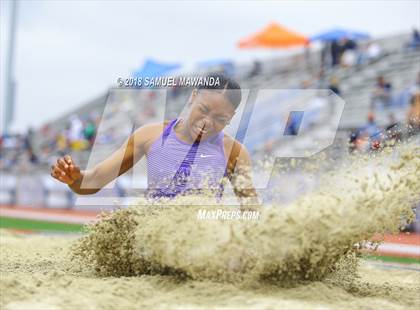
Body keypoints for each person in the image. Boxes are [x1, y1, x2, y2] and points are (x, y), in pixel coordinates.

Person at [51, 73, 259, 209]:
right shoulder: (150, 135)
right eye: (203, 110)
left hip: (202, 245)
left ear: (231, 118)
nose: (207, 122)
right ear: (193, 96)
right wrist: (74, 179)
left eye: (220, 119)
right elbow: (94, 180)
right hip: (154, 238)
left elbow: (250, 211)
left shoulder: (234, 152)